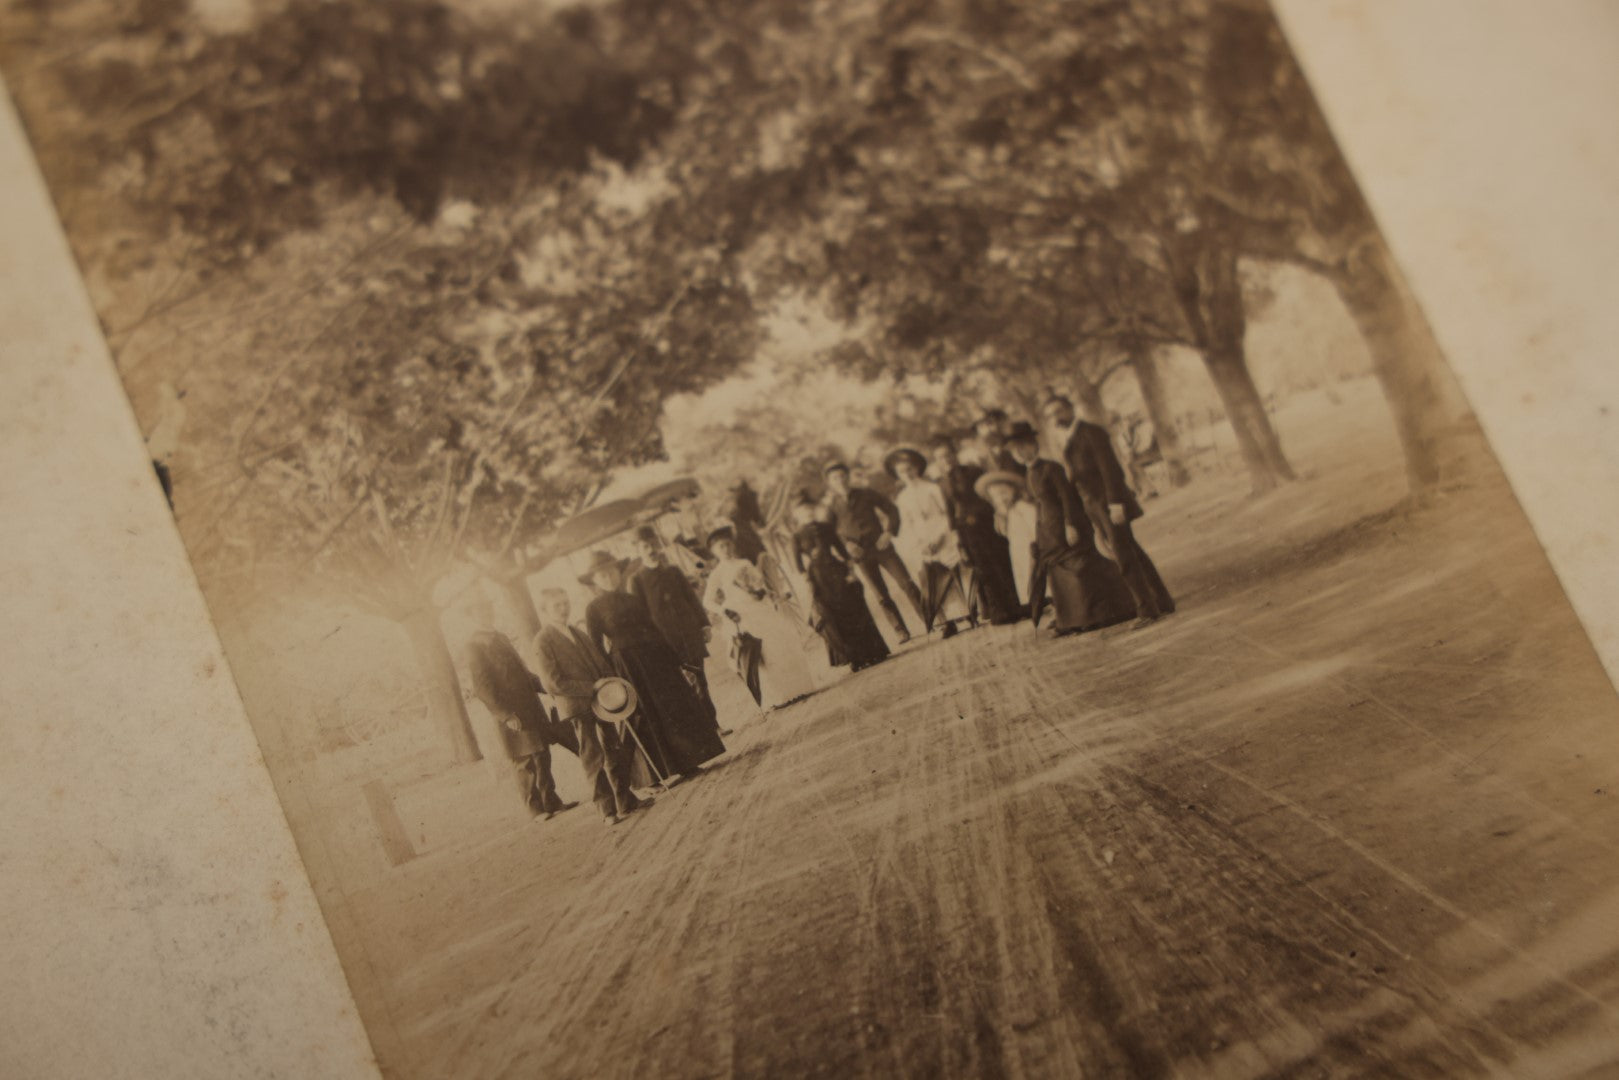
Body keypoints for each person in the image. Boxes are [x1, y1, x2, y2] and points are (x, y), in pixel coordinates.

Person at [580, 549, 727, 780]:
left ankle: (689, 761)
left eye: (611, 572)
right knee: (647, 714)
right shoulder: (594, 608)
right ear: (595, 581)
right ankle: (664, 770)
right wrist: (611, 674)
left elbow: (654, 629)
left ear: (619, 572)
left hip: (656, 658)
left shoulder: (633, 599)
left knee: (673, 705)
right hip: (629, 666)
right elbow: (596, 646)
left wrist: (674, 659)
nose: (608, 578)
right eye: (602, 576)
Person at [1042, 394, 1175, 627]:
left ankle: (1147, 611)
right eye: (1050, 415)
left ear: (1070, 409)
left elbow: (1110, 470)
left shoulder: (1091, 433)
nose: (1055, 418)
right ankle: (1162, 601)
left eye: (1058, 412)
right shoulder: (1067, 439)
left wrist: (1115, 504)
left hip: (1108, 503)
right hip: (1093, 504)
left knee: (1124, 556)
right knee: (1131, 550)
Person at [1004, 422, 1136, 636]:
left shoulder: (1051, 468)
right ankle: (1072, 619)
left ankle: (1100, 614)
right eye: (1014, 450)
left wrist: (1070, 525)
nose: (1019, 453)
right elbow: (1039, 506)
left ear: (1033, 445)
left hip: (1065, 525)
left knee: (1080, 569)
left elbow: (1068, 498)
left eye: (1023, 446)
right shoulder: (1030, 474)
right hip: (1048, 528)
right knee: (1058, 574)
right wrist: (1038, 535)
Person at [531, 589, 649, 826]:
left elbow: (599, 661)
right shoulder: (543, 640)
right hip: (577, 706)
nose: (564, 608)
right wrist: (592, 687)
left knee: (614, 748)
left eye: (565, 603)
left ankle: (625, 800)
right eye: (557, 606)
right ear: (545, 611)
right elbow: (553, 682)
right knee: (593, 756)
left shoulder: (577, 631)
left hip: (601, 702)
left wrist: (609, 682)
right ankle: (607, 810)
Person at [463, 628, 579, 821]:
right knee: (524, 761)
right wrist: (506, 715)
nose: (485, 613)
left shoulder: (500, 637)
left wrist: (547, 686)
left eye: (486, 607)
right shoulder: (474, 646)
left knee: (542, 754)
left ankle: (551, 802)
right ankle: (536, 810)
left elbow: (524, 674)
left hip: (530, 707)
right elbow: (483, 688)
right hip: (512, 713)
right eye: (478, 610)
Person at [704, 526, 818, 709]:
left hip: (760, 608)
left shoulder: (744, 564)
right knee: (761, 654)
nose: (725, 550)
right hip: (741, 616)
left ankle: (795, 688)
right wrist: (724, 611)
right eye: (720, 547)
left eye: (727, 545)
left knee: (779, 645)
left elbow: (760, 584)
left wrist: (760, 592)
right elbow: (707, 601)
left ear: (732, 545)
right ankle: (777, 696)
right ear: (714, 552)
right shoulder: (717, 573)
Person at [628, 525, 723, 730]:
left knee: (701, 681)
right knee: (682, 687)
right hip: (665, 642)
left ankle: (712, 725)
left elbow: (691, 599)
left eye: (654, 544)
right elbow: (639, 617)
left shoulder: (672, 571)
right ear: (638, 550)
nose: (651, 549)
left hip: (689, 635)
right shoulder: (636, 580)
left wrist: (704, 624)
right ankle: (701, 729)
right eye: (645, 546)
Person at [822, 460, 925, 643]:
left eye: (842, 476)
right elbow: (828, 533)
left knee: (906, 583)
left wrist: (888, 532)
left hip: (881, 547)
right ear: (830, 482)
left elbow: (892, 510)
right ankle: (900, 630)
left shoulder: (865, 494)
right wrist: (846, 546)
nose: (840, 480)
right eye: (835, 478)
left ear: (848, 476)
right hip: (860, 555)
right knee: (881, 595)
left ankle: (928, 617)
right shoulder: (832, 506)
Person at [791, 495, 891, 672]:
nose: (807, 512)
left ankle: (872, 652)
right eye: (802, 510)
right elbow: (798, 566)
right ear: (796, 514)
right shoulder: (797, 536)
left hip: (838, 572)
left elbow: (843, 552)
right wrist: (808, 582)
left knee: (854, 611)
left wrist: (850, 571)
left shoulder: (826, 527)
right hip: (819, 579)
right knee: (835, 617)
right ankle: (854, 658)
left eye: (810, 508)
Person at [931, 433, 1022, 625]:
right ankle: (999, 611)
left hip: (984, 524)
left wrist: (986, 514)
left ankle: (1017, 606)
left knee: (1000, 563)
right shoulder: (942, 483)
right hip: (966, 531)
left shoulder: (973, 471)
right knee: (982, 569)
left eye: (948, 455)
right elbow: (949, 510)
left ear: (954, 455)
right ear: (937, 461)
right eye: (941, 457)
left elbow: (987, 495)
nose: (946, 460)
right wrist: (955, 533)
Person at [885, 446, 971, 636]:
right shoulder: (902, 498)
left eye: (910, 469)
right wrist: (920, 543)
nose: (907, 474)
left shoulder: (932, 488)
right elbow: (907, 525)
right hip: (923, 540)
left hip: (942, 532)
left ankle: (970, 611)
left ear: (917, 469)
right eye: (902, 472)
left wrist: (941, 535)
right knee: (934, 578)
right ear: (898, 475)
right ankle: (948, 621)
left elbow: (946, 514)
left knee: (956, 570)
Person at [975, 470, 1039, 607]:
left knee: (1039, 575)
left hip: (1031, 546)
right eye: (996, 496)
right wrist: (1001, 516)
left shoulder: (1023, 507)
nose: (1001, 499)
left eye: (1004, 493)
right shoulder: (1004, 513)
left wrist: (1036, 542)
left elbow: (1034, 526)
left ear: (1013, 491)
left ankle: (1054, 604)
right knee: (1026, 576)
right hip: (1018, 547)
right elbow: (1003, 532)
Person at [724, 479, 769, 564]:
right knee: (759, 552)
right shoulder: (750, 495)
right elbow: (756, 516)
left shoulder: (732, 499)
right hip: (747, 532)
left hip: (736, 535)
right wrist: (761, 522)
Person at [975, 408, 1026, 476]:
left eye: (990, 423)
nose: (987, 430)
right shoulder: (982, 458)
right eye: (982, 426)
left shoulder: (1016, 449)